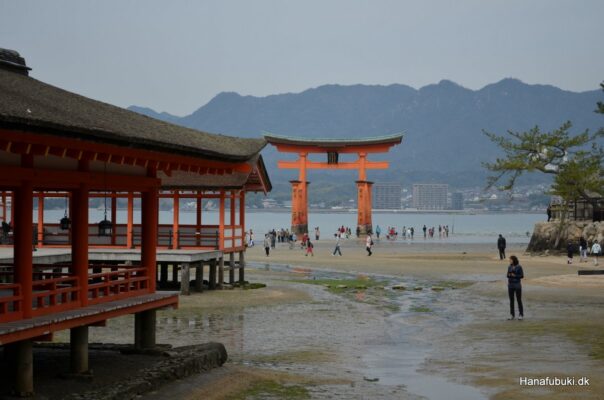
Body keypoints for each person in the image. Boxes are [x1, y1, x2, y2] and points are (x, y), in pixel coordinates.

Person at [507, 255, 524, 320]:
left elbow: (522, 276)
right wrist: (509, 275)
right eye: (509, 260)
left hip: (517, 285)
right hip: (510, 285)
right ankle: (512, 315)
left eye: (510, 260)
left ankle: (521, 314)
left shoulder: (519, 267)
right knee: (511, 300)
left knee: (519, 300)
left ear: (513, 260)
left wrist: (515, 275)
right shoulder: (509, 267)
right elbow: (507, 275)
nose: (509, 261)